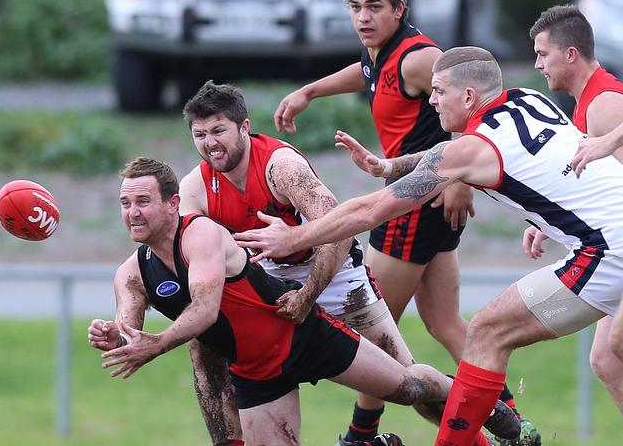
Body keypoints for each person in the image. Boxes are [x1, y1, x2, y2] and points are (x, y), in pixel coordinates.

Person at [234, 46, 623, 445]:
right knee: (604, 356)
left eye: (438, 91)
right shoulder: (529, 99)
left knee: (488, 331)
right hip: (611, 236)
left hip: (610, 252)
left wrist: (294, 236)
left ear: (469, 97)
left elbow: (370, 211)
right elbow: (459, 158)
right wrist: (389, 166)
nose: (431, 100)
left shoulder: (473, 148)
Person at [272, 0, 537, 442]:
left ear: (400, 8)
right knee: (442, 322)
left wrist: (461, 181)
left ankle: (362, 434)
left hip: (412, 205)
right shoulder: (382, 52)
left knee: (375, 328)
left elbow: (474, 95)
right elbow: (368, 73)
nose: (363, 17)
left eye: (374, 6)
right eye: (355, 7)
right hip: (423, 202)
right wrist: (309, 91)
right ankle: (513, 425)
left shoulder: (419, 58)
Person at [87, 156, 518, 446]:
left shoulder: (198, 233)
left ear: (172, 203)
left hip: (303, 334)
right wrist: (115, 336)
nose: (133, 212)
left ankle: (478, 400)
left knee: (408, 388)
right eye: (125, 203)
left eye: (143, 201)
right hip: (257, 373)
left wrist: (156, 344)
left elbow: (205, 309)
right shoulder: (131, 272)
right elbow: (130, 330)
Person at [178, 80, 438, 444]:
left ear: (244, 127)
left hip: (333, 276)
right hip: (268, 285)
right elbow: (181, 252)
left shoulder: (280, 166)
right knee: (205, 345)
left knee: (409, 384)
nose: (210, 143)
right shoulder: (195, 187)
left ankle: (483, 419)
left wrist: (308, 294)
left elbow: (340, 230)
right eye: (200, 134)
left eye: (219, 130)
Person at [529, 4, 623, 413]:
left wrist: (611, 139)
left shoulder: (604, 103)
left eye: (542, 54)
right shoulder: (584, 104)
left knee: (618, 342)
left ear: (570, 54)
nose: (536, 65)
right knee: (605, 357)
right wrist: (551, 223)